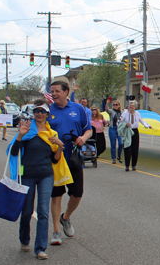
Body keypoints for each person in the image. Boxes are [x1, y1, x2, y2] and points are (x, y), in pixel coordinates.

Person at [10, 99, 65, 260]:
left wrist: (60, 146)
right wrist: (20, 135)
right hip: (27, 174)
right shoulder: (27, 130)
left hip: (46, 175)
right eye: (37, 111)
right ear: (33, 113)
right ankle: (24, 239)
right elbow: (14, 152)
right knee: (27, 211)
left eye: (43, 111)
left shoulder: (52, 134)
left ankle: (40, 248)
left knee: (43, 211)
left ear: (48, 114)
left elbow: (55, 160)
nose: (39, 114)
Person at [47, 80, 92, 246]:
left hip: (74, 157)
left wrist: (83, 138)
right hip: (56, 160)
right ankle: (56, 231)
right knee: (56, 195)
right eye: (52, 91)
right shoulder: (49, 110)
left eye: (57, 91)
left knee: (78, 194)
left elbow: (88, 129)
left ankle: (65, 218)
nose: (54, 94)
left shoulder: (78, 109)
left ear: (66, 92)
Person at [119, 101, 152, 171]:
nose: (131, 107)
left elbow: (141, 120)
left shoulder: (137, 113)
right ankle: (127, 165)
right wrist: (125, 124)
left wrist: (148, 125)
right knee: (127, 148)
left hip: (135, 131)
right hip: (128, 131)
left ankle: (134, 165)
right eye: (130, 105)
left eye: (132, 106)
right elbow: (119, 122)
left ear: (135, 107)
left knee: (135, 148)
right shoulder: (125, 113)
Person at [105, 99, 123, 164]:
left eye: (116, 105)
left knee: (121, 143)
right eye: (114, 105)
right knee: (113, 144)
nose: (115, 106)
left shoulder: (121, 112)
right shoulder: (111, 111)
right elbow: (107, 110)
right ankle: (113, 158)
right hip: (113, 128)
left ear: (119, 105)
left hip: (119, 129)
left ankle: (119, 156)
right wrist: (107, 103)